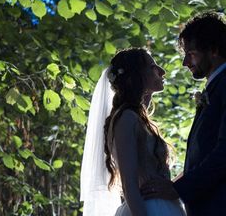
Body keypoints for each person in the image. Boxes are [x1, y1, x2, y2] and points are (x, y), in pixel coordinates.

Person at [142, 12, 226, 216]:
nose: (185, 62)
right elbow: (202, 157)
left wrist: (177, 189)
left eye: (191, 53)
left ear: (213, 49)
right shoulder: (218, 87)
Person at [80, 48, 186, 216]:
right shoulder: (127, 119)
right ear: (137, 76)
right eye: (153, 66)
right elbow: (130, 187)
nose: (162, 71)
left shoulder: (138, 119)